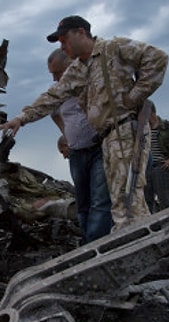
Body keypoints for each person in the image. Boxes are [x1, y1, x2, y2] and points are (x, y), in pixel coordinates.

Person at [0, 15, 169, 231]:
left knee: (127, 198)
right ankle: (134, 243)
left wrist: (133, 97)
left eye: (64, 40)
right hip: (107, 138)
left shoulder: (114, 48)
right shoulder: (78, 69)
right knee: (121, 200)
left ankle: (138, 247)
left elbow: (158, 58)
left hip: (125, 130)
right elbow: (53, 96)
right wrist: (21, 118)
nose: (62, 46)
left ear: (81, 33)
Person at [49, 49, 112, 244]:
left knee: (100, 200)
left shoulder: (91, 82)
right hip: (77, 152)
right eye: (51, 74)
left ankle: (97, 246)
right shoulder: (58, 91)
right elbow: (53, 113)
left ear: (71, 65)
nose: (54, 78)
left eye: (57, 72)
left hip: (99, 149)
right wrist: (66, 135)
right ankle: (87, 243)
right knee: (82, 201)